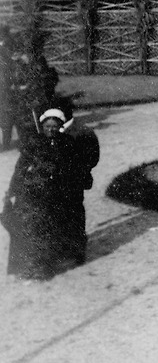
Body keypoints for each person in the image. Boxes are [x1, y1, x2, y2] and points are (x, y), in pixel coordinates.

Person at [3, 106, 99, 280]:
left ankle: (70, 254)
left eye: (54, 126)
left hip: (62, 192)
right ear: (42, 126)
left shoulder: (68, 143)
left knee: (67, 223)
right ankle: (37, 264)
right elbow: (20, 168)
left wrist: (83, 180)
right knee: (38, 227)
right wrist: (12, 190)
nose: (51, 129)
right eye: (47, 126)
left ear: (60, 126)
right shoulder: (34, 143)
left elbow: (78, 166)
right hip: (38, 194)